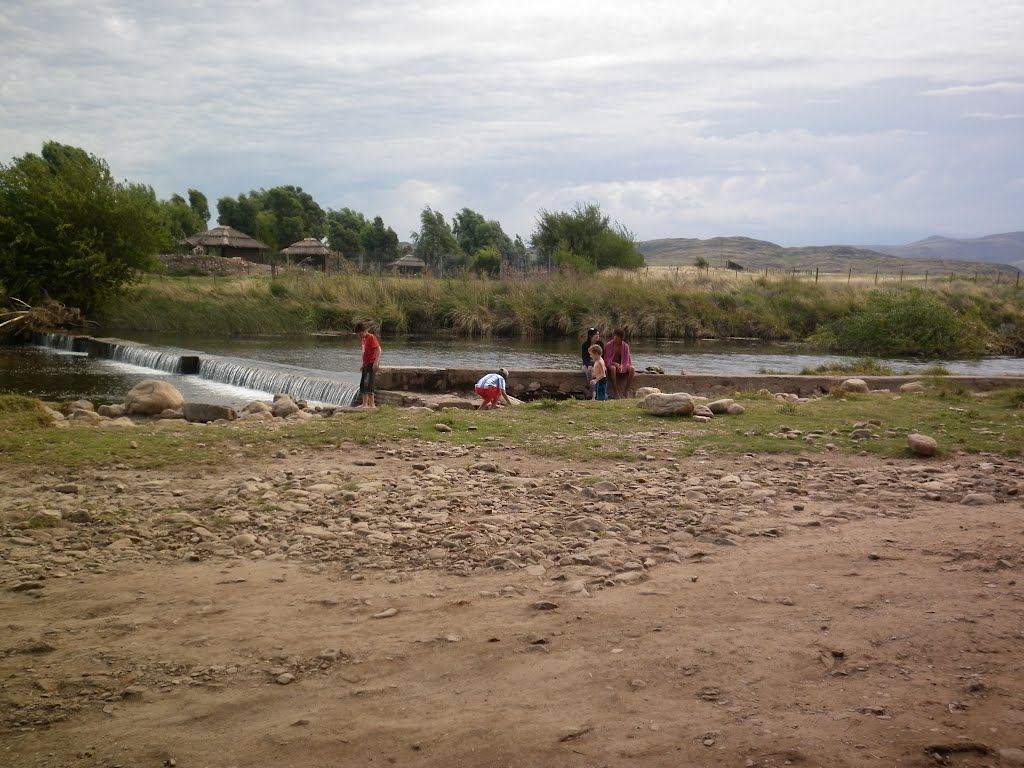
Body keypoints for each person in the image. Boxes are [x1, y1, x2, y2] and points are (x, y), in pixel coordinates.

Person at [353, 322, 380, 408]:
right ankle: (364, 404)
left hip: (371, 364)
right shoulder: (363, 339)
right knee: (363, 384)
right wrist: (362, 364)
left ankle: (371, 404)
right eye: (358, 334)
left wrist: (376, 363)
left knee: (369, 383)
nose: (359, 336)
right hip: (365, 364)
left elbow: (379, 350)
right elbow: (364, 353)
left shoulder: (371, 337)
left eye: (360, 334)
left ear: (364, 331)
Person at [603, 328, 636, 399]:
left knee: (632, 369)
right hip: (610, 364)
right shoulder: (608, 345)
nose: (615, 338)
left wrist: (622, 366)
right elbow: (606, 359)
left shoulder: (625, 346)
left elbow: (627, 359)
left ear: (621, 338)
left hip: (622, 364)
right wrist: (614, 363)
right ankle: (615, 392)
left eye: (617, 337)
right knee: (613, 368)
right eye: (614, 336)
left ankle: (626, 391)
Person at [581, 327, 603, 398]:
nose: (597, 336)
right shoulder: (585, 345)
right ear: (590, 336)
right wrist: (589, 365)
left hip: (598, 363)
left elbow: (603, 357)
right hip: (587, 364)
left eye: (598, 334)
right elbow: (584, 358)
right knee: (588, 372)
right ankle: (593, 393)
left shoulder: (600, 344)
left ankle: (601, 392)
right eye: (596, 335)